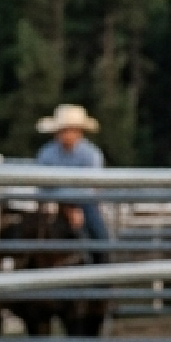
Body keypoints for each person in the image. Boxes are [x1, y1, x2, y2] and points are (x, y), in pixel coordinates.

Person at [33, 103, 110, 261]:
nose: (67, 134)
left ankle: (101, 271)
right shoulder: (47, 153)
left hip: (83, 202)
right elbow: (41, 182)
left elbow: (92, 186)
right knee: (30, 230)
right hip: (53, 200)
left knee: (99, 234)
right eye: (64, 130)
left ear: (79, 132)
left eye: (72, 130)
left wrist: (72, 203)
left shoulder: (90, 154)